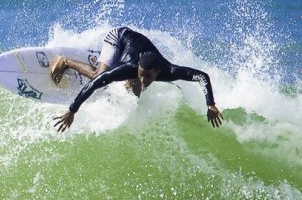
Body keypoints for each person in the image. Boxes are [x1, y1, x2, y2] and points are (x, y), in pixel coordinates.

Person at [51, 27, 223, 132]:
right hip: (118, 37)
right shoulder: (133, 68)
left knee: (134, 92)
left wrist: (210, 103)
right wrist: (72, 110)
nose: (143, 78)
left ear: (157, 72)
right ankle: (66, 62)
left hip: (137, 46)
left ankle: (109, 62)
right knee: (100, 78)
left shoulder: (170, 70)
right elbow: (95, 84)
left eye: (147, 76)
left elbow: (202, 76)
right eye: (140, 74)